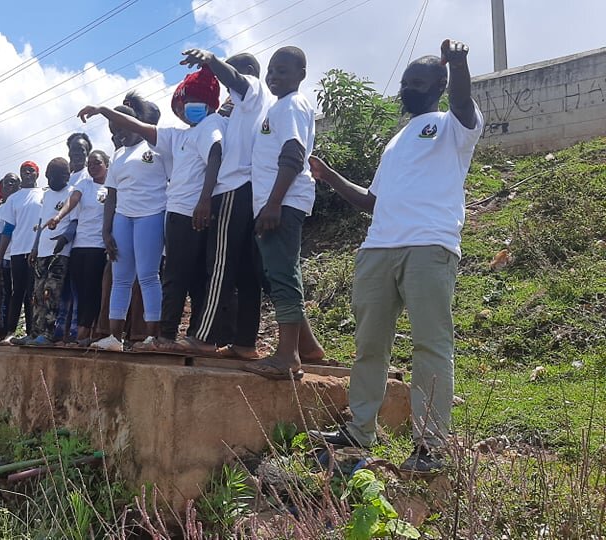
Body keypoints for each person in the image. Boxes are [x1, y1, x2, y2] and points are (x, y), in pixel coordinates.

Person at [307, 40, 483, 473]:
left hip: (429, 247)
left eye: (417, 83)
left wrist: (459, 64)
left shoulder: (454, 126)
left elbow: (463, 101)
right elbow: (372, 201)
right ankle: (358, 431)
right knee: (369, 346)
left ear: (438, 86)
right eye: (405, 82)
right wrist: (329, 176)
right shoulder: (396, 141)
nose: (407, 89)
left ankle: (430, 446)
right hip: (378, 250)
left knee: (430, 346)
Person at [202, 46, 321, 381]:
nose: (274, 76)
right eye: (272, 70)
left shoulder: (292, 105)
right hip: (273, 202)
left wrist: (274, 203)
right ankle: (308, 348)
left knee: (283, 275)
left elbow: (293, 154)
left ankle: (287, 357)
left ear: (301, 75)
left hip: (283, 202)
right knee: (275, 273)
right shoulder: (277, 107)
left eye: (283, 70)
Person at [176, 49, 272, 360]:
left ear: (246, 71)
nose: (226, 86)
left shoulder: (252, 87)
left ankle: (204, 337)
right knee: (246, 271)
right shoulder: (250, 107)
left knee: (218, 265)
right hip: (249, 190)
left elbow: (237, 79)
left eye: (229, 77)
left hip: (231, 189)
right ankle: (245, 342)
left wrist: (211, 59)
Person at [76, 100, 169, 351]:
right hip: (123, 220)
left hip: (151, 216)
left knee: (148, 276)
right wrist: (106, 230)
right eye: (113, 131)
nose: (118, 134)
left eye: (121, 128)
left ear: (133, 123)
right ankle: (114, 338)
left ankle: (152, 337)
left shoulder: (155, 147)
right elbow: (112, 195)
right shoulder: (118, 155)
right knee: (120, 278)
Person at [45, 149, 110, 344]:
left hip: (98, 246)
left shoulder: (111, 187)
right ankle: (80, 331)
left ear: (107, 164)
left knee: (93, 289)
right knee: (80, 290)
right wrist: (58, 217)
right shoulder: (84, 184)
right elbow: (72, 200)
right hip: (79, 246)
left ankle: (87, 332)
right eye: (90, 164)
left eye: (97, 163)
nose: (93, 167)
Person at [17, 158, 74, 346]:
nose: (52, 181)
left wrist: (64, 239)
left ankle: (48, 334)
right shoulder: (47, 195)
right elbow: (41, 222)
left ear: (66, 176)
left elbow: (74, 222)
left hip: (60, 252)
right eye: (49, 177)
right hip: (42, 251)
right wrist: (34, 248)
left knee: (51, 293)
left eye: (56, 177)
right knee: (37, 293)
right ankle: (34, 332)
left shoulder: (72, 193)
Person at [0, 161, 44, 341]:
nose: (27, 173)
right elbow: (8, 229)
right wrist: (0, 256)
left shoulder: (44, 195)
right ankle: (10, 332)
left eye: (31, 170)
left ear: (37, 174)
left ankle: (32, 332)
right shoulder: (14, 199)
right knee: (18, 292)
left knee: (33, 292)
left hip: (37, 250)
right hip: (17, 250)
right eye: (24, 171)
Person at [53, 133, 93, 342]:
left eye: (82, 150)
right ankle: (60, 330)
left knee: (77, 289)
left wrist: (66, 236)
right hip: (58, 243)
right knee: (62, 289)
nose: (77, 153)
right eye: (74, 149)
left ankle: (75, 330)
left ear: (88, 153)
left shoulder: (88, 177)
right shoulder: (63, 177)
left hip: (79, 240)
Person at [0, 173, 21, 337]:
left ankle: (14, 331)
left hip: (20, 254)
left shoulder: (24, 202)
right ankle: (2, 331)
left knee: (20, 294)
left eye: (13, 182)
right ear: (1, 189)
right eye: (6, 183)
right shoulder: (0, 210)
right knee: (5, 295)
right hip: (5, 257)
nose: (10, 185)